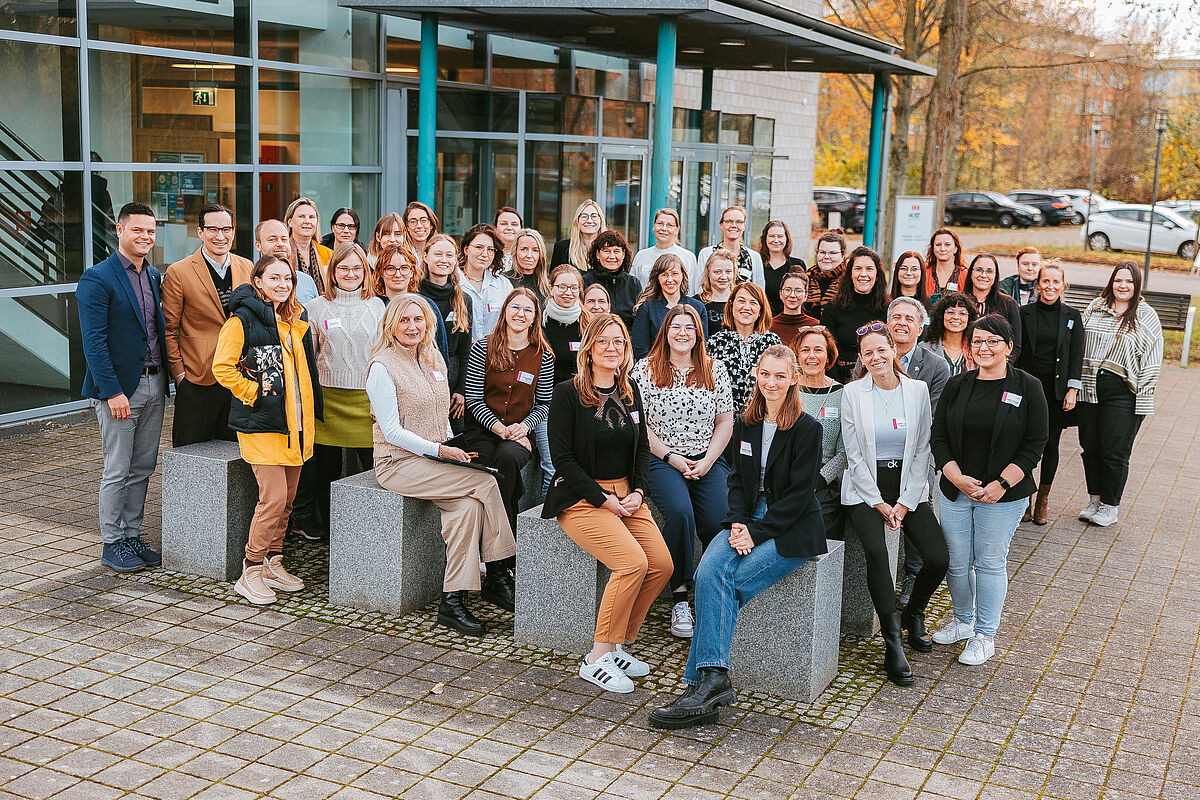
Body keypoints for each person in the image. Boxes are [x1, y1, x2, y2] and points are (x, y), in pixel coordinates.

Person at [649, 345, 827, 729]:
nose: (771, 382)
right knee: (707, 573)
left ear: (794, 379)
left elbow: (799, 496)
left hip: (791, 527)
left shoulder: (808, 428)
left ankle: (702, 685)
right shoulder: (746, 422)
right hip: (746, 517)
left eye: (781, 375)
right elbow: (736, 481)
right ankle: (712, 682)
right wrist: (738, 523)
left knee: (721, 583)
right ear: (756, 375)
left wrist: (755, 532)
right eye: (765, 374)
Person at [365, 295, 517, 636]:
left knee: (467, 509)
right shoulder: (382, 366)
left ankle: (451, 602)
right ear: (391, 324)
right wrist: (439, 451)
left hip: (435, 456)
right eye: (404, 320)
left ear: (428, 324)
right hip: (398, 461)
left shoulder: (434, 358)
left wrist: (451, 445)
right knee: (486, 484)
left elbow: (441, 415)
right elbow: (392, 431)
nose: (412, 327)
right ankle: (499, 571)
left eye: (418, 320)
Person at [544, 314, 671, 694]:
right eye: (603, 342)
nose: (612, 348)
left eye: (618, 342)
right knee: (632, 563)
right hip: (583, 498)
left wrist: (639, 493)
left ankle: (616, 644)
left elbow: (643, 449)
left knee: (661, 565)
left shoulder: (631, 390)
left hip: (628, 496)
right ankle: (597, 656)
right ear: (589, 349)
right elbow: (563, 458)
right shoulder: (568, 393)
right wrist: (603, 499)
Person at [930, 314, 1048, 666]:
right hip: (956, 489)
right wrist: (955, 477)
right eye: (977, 341)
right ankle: (964, 621)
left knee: (990, 563)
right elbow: (939, 437)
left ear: (1008, 347)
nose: (984, 348)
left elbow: (1035, 444)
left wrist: (1001, 484)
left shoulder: (1028, 387)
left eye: (992, 341)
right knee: (957, 563)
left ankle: (985, 635)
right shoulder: (958, 385)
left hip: (1004, 494)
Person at [212, 255, 324, 605]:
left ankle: (274, 561)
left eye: (287, 279)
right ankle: (251, 569)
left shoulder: (294, 319)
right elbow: (222, 368)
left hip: (296, 426)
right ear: (257, 281)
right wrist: (254, 393)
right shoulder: (242, 320)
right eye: (274, 278)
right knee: (272, 499)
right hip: (264, 426)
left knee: (287, 501)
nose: (282, 284)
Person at [841, 323, 948, 685]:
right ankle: (893, 645)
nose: (876, 358)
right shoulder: (853, 393)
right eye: (868, 353)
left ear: (894, 351)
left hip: (908, 486)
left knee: (938, 558)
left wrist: (902, 503)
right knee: (876, 551)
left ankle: (913, 612)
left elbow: (923, 449)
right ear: (862, 358)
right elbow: (854, 457)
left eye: (881, 350)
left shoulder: (917, 391)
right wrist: (878, 503)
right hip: (864, 490)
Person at [631, 305, 734, 638]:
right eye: (676, 326)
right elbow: (639, 425)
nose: (683, 333)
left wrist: (707, 461)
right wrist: (672, 456)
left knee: (719, 518)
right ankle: (680, 598)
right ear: (665, 330)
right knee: (679, 512)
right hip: (660, 457)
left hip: (708, 456)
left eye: (690, 328)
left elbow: (725, 421)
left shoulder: (714, 369)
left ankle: (714, 591)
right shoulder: (644, 369)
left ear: (699, 334)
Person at [77, 201, 168, 573]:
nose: (145, 236)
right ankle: (112, 542)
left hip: (156, 382)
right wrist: (112, 391)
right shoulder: (97, 278)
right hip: (120, 390)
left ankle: (132, 535)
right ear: (119, 230)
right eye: (137, 230)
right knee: (117, 468)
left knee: (143, 466)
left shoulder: (153, 276)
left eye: (150, 231)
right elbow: (93, 342)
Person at [853, 297, 951, 606]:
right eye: (895, 316)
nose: (902, 323)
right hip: (872, 457)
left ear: (921, 328)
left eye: (910, 318)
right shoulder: (868, 357)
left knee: (923, 494)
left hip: (916, 453)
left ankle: (913, 574)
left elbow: (929, 424)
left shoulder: (935, 366)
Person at [305, 242, 386, 532]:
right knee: (326, 470)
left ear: (365, 271)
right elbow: (310, 356)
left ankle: (368, 530)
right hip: (328, 399)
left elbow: (383, 355)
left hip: (367, 401)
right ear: (333, 272)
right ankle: (329, 531)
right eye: (343, 268)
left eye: (356, 268)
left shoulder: (377, 306)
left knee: (372, 468)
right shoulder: (316, 306)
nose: (350, 274)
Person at [1076, 262, 1163, 528]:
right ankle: (1095, 499)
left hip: (1122, 394)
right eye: (1118, 280)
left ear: (1137, 286)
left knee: (1114, 452)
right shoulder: (1095, 307)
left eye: (1129, 282)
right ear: (1111, 282)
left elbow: (1152, 361)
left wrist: (1143, 400)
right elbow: (1078, 341)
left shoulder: (1145, 316)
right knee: (1090, 448)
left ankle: (1110, 506)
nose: (1123, 286)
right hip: (1089, 389)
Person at [463, 287, 555, 535]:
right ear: (505, 312)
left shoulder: (543, 356)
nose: (521, 314)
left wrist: (524, 427)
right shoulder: (483, 348)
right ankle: (504, 555)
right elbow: (472, 398)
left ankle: (498, 556)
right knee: (487, 468)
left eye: (528, 310)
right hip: (483, 432)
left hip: (520, 434)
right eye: (515, 307)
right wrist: (499, 428)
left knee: (507, 458)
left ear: (535, 317)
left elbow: (544, 404)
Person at [161, 202, 253, 447]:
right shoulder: (178, 272)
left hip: (239, 375)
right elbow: (169, 330)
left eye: (226, 229)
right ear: (200, 232)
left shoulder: (248, 267)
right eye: (212, 229)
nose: (220, 236)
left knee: (236, 452)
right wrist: (180, 375)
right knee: (190, 452)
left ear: (233, 231)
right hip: (198, 377)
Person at [1016, 262, 1083, 525]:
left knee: (1051, 444)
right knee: (1024, 445)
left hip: (1056, 392)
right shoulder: (1024, 313)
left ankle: (1043, 500)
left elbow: (1077, 354)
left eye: (1056, 282)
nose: (1050, 286)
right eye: (1046, 281)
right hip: (1029, 390)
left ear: (1063, 284)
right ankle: (1025, 499)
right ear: (1037, 284)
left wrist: (1072, 389)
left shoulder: (1072, 316)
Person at [539, 264, 590, 493]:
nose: (568, 292)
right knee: (553, 467)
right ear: (551, 289)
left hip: (581, 401)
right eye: (562, 287)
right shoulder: (539, 320)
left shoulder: (588, 322)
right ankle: (543, 519)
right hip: (545, 403)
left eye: (573, 287)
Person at [793, 326, 847, 542]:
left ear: (828, 356)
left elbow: (845, 451)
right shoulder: (787, 390)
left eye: (818, 350)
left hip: (824, 481)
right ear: (797, 355)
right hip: (788, 477)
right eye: (805, 350)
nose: (811, 356)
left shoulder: (843, 394)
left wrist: (819, 480)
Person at [419, 234, 473, 434]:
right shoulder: (415, 296)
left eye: (449, 255)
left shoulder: (464, 300)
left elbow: (465, 350)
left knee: (454, 440)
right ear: (426, 256)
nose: (444, 260)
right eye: (438, 254)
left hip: (452, 385)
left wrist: (461, 390)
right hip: (421, 379)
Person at [706, 282, 782, 413]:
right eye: (741, 301)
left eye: (753, 303)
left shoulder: (773, 343)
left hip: (763, 419)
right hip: (725, 422)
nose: (746, 307)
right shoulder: (715, 343)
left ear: (760, 310)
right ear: (731, 305)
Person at [821, 245, 890, 383]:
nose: (863, 274)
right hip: (839, 379)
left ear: (877, 276)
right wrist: (838, 384)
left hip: (879, 377)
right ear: (850, 274)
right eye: (858, 268)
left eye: (869, 269)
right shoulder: (833, 308)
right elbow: (826, 350)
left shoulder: (888, 309)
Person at [373, 242, 450, 365]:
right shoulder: (373, 306)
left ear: (412, 271)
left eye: (404, 268)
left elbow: (441, 353)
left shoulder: (426, 305)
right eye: (390, 268)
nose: (398, 274)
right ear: (381, 272)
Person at [631, 253, 708, 359]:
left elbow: (702, 346)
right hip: (655, 370)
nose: (670, 279)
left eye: (674, 273)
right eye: (664, 275)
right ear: (657, 278)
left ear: (682, 275)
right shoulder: (647, 308)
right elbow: (640, 349)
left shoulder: (698, 307)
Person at [459, 223, 513, 342]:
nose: (485, 254)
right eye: (479, 247)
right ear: (466, 249)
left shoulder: (503, 285)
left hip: (494, 354)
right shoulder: (453, 282)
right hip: (462, 356)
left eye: (490, 249)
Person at [963, 254, 1022, 360]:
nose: (983, 275)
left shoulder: (1008, 304)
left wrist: (1001, 368)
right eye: (979, 270)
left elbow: (1016, 345)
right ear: (971, 273)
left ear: (995, 276)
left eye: (989, 271)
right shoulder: (959, 302)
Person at [582, 229, 642, 330]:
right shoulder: (585, 281)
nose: (612, 256)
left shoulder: (633, 283)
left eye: (616, 251)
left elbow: (640, 320)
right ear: (597, 254)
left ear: (623, 254)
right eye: (607, 251)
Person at [698, 206, 764, 287]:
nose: (734, 225)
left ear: (744, 226)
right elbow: (700, 286)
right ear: (721, 225)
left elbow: (759, 290)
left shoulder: (754, 257)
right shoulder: (707, 254)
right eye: (729, 221)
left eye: (739, 222)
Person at [255, 219, 318, 306]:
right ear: (258, 246)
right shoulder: (248, 279)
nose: (280, 244)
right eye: (272, 240)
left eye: (284, 239)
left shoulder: (306, 281)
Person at [632, 208, 699, 288]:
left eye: (670, 225)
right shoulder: (641, 256)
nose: (664, 229)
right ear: (654, 226)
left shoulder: (687, 257)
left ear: (677, 229)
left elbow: (691, 290)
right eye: (660, 223)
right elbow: (632, 288)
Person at [921, 292, 978, 377]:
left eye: (962, 313)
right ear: (941, 315)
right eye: (950, 312)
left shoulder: (976, 350)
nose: (956, 317)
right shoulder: (924, 349)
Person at [285, 196, 332, 295]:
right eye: (301, 217)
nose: (307, 221)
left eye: (311, 217)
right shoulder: (282, 253)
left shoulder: (328, 254)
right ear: (290, 222)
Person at [758, 220, 806, 315]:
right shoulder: (757, 263)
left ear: (786, 239)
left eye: (780, 236)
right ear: (765, 239)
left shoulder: (797, 264)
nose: (776, 240)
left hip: (790, 319)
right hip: (763, 321)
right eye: (771, 236)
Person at [802, 229, 847, 319]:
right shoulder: (805, 279)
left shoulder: (849, 281)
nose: (826, 257)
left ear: (842, 255)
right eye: (822, 252)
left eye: (833, 253)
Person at [769, 270, 819, 346]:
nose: (792, 295)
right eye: (787, 290)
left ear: (805, 296)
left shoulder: (814, 326)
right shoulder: (770, 326)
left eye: (798, 291)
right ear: (780, 294)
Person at [551, 199, 605, 269]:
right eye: (584, 216)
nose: (589, 221)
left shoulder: (610, 249)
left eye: (594, 216)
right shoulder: (562, 248)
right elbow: (553, 277)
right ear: (577, 221)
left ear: (600, 221)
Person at [694, 247, 737, 335]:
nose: (723, 277)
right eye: (717, 272)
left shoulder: (740, 302)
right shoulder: (696, 303)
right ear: (708, 274)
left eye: (728, 271)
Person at [507, 228, 551, 305]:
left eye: (535, 250)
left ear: (541, 254)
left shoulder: (548, 285)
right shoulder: (504, 280)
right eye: (524, 249)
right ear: (515, 251)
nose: (529, 255)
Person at [924, 227, 966, 306]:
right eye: (938, 245)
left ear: (955, 249)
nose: (942, 249)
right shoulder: (924, 274)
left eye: (947, 245)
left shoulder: (965, 276)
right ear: (933, 248)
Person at [494, 206, 523, 272]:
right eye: (504, 224)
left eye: (514, 224)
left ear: (521, 229)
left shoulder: (526, 255)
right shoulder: (488, 253)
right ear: (495, 228)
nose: (509, 228)